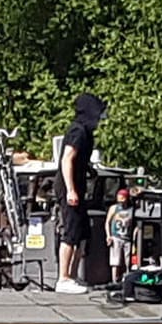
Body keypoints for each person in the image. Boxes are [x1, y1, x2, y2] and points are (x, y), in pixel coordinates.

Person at [56, 93, 107, 294]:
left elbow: (78, 161)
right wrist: (70, 189)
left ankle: (74, 275)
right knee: (70, 231)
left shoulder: (87, 132)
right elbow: (67, 159)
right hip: (70, 187)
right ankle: (63, 278)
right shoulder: (77, 131)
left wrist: (88, 170)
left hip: (78, 186)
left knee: (82, 232)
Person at [105, 188, 133, 283]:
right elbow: (107, 222)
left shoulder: (131, 209)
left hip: (128, 237)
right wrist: (108, 235)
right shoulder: (114, 208)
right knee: (115, 260)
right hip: (116, 236)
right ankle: (114, 280)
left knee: (128, 260)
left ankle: (127, 278)